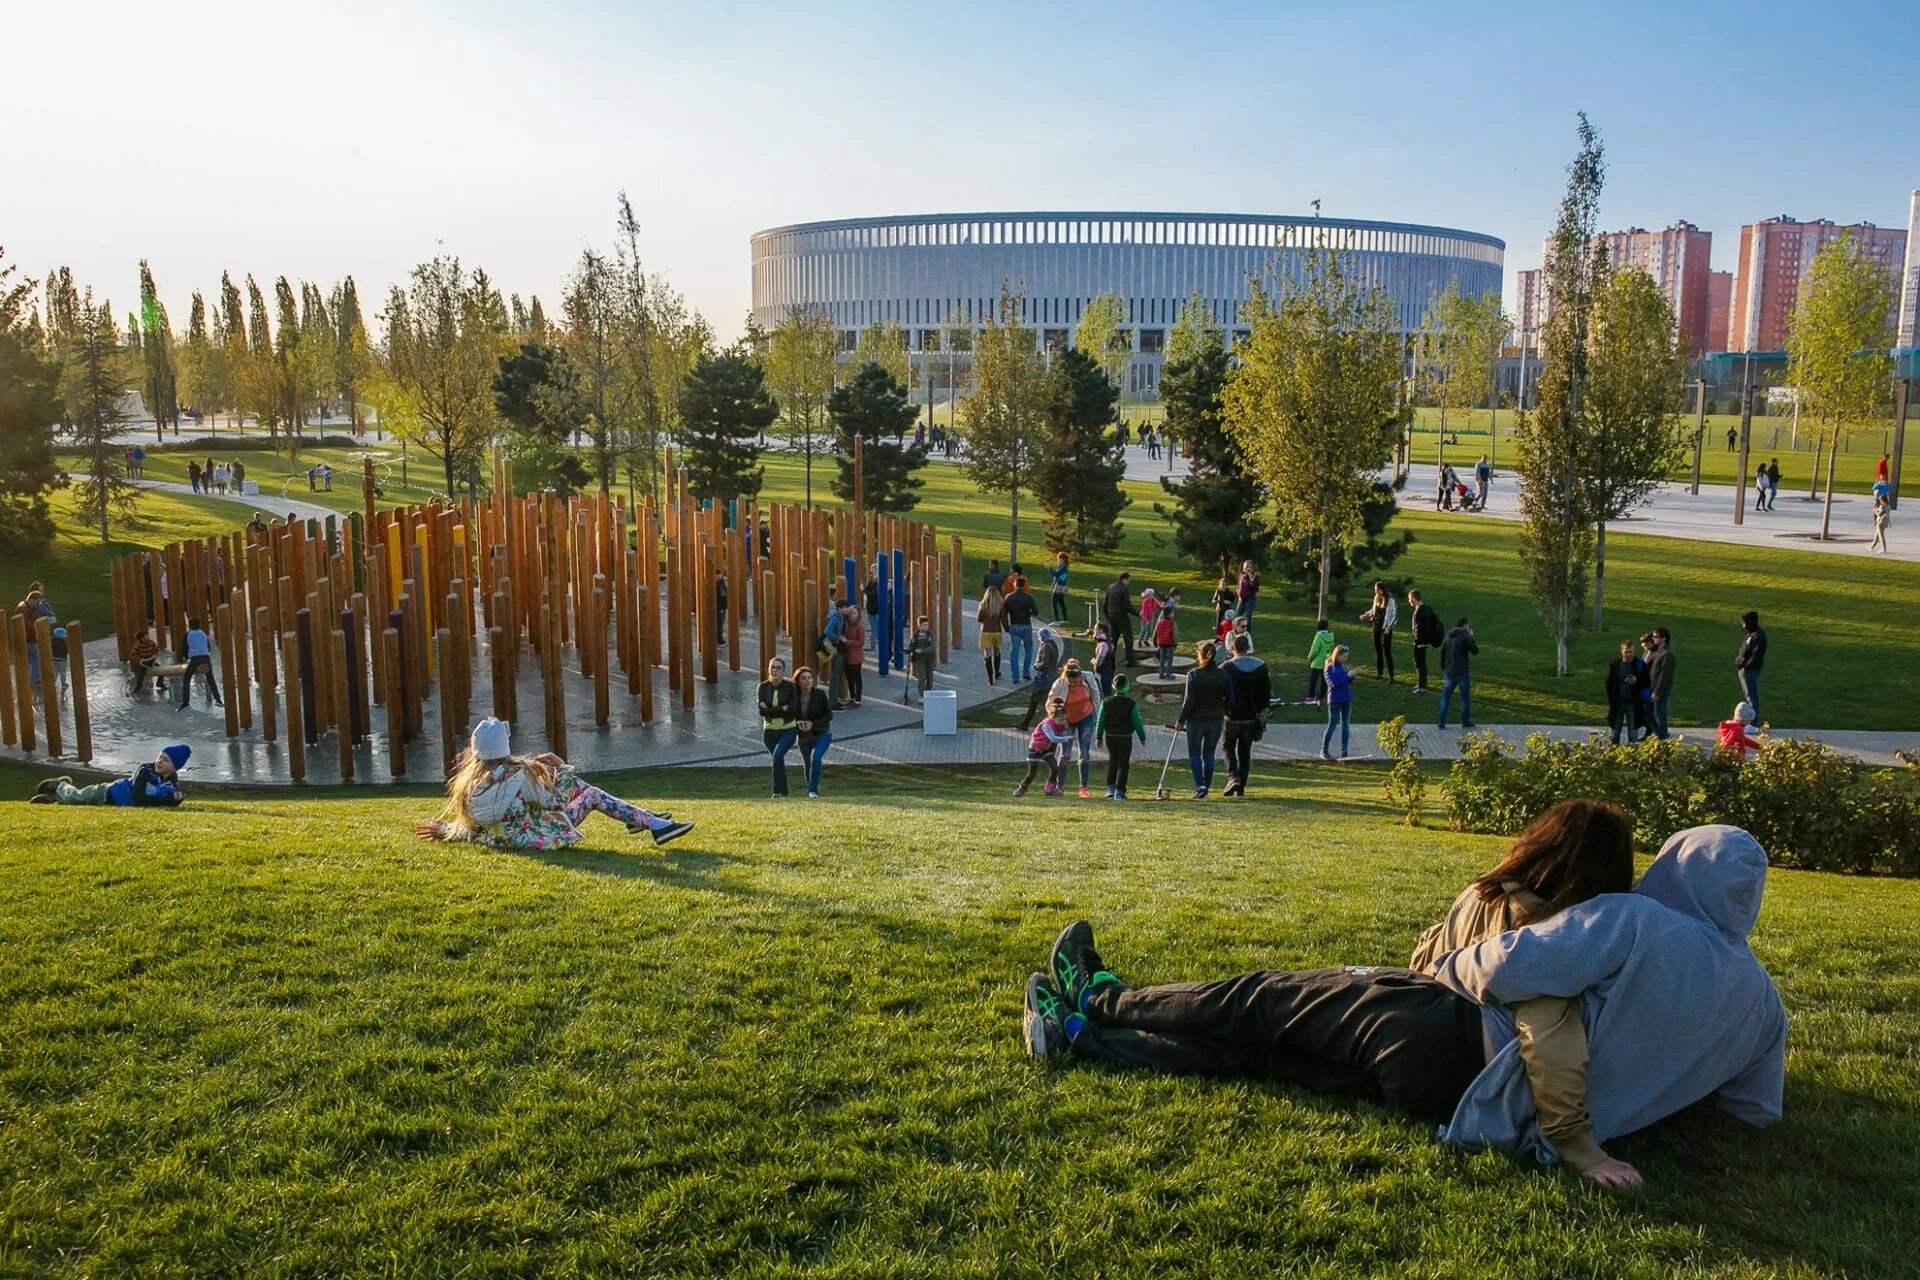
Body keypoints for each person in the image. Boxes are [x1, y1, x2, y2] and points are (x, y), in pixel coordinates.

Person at [1026, 824, 1786, 1182]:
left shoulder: (1638, 921)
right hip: (1462, 1103)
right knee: (1261, 1061)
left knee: (1259, 1003)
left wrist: (1437, 969)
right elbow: (1755, 1112)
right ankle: (1079, 1041)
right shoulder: (1760, 1006)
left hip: (1441, 1030)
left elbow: (1507, 968)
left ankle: (1105, 997)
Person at [1405, 799, 1641, 1184]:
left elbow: (1430, 948)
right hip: (1463, 1065)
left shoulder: (1483, 890)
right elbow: (1548, 1033)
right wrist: (1579, 1148)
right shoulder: (1540, 934)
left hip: (1411, 1014)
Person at [415, 719, 690, 848]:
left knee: (582, 788)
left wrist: (446, 829)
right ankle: (653, 824)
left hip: (503, 839)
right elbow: (557, 802)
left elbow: (472, 827)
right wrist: (561, 766)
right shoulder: (518, 777)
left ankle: (646, 820)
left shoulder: (467, 786)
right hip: (536, 836)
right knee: (590, 794)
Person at [32, 744, 192, 808]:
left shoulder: (171, 781)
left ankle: (52, 798)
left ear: (174, 767)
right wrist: (167, 799)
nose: (159, 762)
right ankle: (60, 786)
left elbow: (177, 798)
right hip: (107, 792)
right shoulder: (145, 771)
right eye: (159, 757)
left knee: (77, 803)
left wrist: (173, 799)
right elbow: (140, 797)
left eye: (165, 760)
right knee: (77, 797)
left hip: (113, 802)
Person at [1175, 639, 1230, 798]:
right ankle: (1206, 785)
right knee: (1209, 754)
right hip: (1216, 720)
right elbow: (1230, 699)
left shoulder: (1193, 675)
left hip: (1196, 720)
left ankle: (1200, 785)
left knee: (1194, 753)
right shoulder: (1224, 675)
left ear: (1200, 656)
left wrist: (1181, 720)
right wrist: (1222, 710)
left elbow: (1188, 701)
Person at [1221, 630, 1271, 798]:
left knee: (1228, 746)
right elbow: (1266, 694)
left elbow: (1221, 691)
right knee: (1245, 752)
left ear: (1232, 648)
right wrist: (1260, 711)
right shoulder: (1261, 667)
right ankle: (1241, 788)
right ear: (1248, 648)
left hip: (1232, 716)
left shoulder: (1227, 668)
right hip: (1251, 717)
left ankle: (1233, 776)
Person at [1048, 659, 1101, 798]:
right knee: (1065, 754)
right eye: (1071, 682)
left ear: (1080, 676)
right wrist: (1054, 719)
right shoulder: (1060, 683)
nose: (1074, 684)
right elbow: (1050, 702)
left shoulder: (1088, 677)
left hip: (1086, 717)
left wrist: (1096, 715)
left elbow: (1095, 695)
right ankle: (1060, 787)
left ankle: (1083, 787)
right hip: (1067, 721)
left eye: (1076, 681)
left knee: (1084, 753)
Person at [1095, 673, 1148, 800]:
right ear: (1126, 686)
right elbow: (1137, 721)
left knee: (1112, 760)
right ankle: (1120, 791)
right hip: (1125, 736)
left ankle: (1110, 789)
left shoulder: (1106, 702)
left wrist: (1098, 736)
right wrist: (1142, 736)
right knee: (1123, 764)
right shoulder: (1131, 703)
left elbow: (1100, 720)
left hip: (1110, 736)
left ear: (1114, 686)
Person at [1013, 697, 1073, 798]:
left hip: (1047, 749)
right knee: (1032, 773)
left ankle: (1050, 788)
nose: (1063, 721)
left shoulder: (1060, 725)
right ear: (1053, 717)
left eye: (1064, 719)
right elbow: (1053, 738)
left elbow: (1060, 733)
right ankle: (1022, 788)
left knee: (1055, 768)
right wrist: (1068, 738)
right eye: (1061, 719)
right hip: (1036, 749)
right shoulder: (1046, 725)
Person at [757, 656, 799, 798]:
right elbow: (762, 711)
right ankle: (784, 792)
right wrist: (782, 709)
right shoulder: (762, 687)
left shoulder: (791, 687)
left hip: (788, 729)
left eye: (778, 668)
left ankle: (777, 791)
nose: (774, 670)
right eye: (772, 667)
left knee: (777, 756)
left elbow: (792, 710)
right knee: (778, 760)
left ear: (783, 671)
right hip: (769, 731)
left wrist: (770, 709)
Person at [793, 666, 833, 798]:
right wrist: (796, 723)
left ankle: (813, 791)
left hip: (822, 733)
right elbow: (789, 715)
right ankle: (811, 790)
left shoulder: (820, 694)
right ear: (798, 681)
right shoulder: (793, 697)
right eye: (804, 678)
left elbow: (829, 716)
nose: (807, 680)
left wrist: (813, 724)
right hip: (803, 736)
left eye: (809, 678)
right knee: (807, 763)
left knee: (815, 757)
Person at [1015, 626, 1064, 731]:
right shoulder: (1053, 644)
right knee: (1048, 701)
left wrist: (1036, 666)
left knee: (1035, 701)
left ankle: (1026, 724)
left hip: (1044, 678)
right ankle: (1052, 724)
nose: (1038, 638)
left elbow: (1044, 662)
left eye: (1039, 636)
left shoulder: (1045, 646)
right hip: (1052, 676)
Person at [1436, 618, 1477, 731]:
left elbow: (1442, 653)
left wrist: (1444, 667)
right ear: (1465, 626)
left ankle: (1441, 722)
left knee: (1446, 698)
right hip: (1462, 672)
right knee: (1465, 698)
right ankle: (1465, 721)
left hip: (1449, 672)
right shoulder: (1464, 637)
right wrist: (1471, 637)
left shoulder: (1448, 636)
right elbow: (1474, 650)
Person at [175, 616, 223, 710]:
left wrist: (185, 658)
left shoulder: (188, 634)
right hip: (206, 657)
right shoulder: (203, 634)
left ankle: (185, 703)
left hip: (195, 658)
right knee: (211, 679)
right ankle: (218, 700)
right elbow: (208, 647)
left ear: (189, 626)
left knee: (186, 680)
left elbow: (184, 648)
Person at [1604, 641, 1644, 745]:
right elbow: (1609, 684)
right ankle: (1613, 755)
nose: (1629, 654)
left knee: (1633, 734)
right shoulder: (1615, 666)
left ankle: (1632, 756)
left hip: (1633, 703)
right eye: (1626, 652)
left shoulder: (1639, 664)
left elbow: (1647, 681)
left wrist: (1636, 680)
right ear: (1621, 651)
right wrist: (1611, 700)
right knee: (1615, 733)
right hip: (1618, 703)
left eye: (1631, 652)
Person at [1359, 581, 1397, 682]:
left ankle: (1391, 676)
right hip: (1376, 626)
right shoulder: (1376, 598)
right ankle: (1379, 674)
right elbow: (1373, 611)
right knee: (1378, 651)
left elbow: (1393, 616)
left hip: (1385, 629)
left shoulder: (1390, 601)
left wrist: (1388, 627)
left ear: (1381, 589)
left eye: (1377, 590)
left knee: (1387, 652)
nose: (1375, 592)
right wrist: (1365, 615)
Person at [1320, 644, 1353, 761]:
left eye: (1346, 657)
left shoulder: (1344, 667)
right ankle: (1324, 750)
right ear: (1337, 655)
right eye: (1344, 657)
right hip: (1335, 700)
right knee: (1332, 725)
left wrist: (1351, 677)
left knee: (1346, 724)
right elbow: (1333, 684)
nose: (1345, 659)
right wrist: (1346, 677)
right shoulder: (1329, 667)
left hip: (1346, 699)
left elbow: (1346, 683)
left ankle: (1344, 751)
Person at [1003, 577, 1039, 684]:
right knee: (1028, 649)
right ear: (1024, 586)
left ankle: (1015, 677)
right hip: (1026, 625)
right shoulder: (1028, 597)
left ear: (1015, 585)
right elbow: (1036, 612)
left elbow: (1004, 613)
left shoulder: (1009, 597)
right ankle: (1026, 673)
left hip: (1014, 625)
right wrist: (1028, 614)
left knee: (1014, 651)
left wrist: (1006, 627)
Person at [1407, 589, 1442, 694]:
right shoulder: (1427, 608)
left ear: (1413, 598)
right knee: (1420, 663)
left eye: (1409, 598)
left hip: (1419, 642)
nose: (1409, 601)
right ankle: (1421, 683)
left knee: (1419, 663)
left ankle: (1421, 686)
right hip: (1424, 641)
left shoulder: (1419, 611)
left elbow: (1419, 628)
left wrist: (1417, 640)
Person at [1735, 610, 1766, 720]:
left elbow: (1756, 656)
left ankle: (1752, 723)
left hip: (1750, 670)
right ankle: (1749, 721)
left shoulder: (1758, 636)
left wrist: (1745, 666)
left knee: (1751, 697)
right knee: (1749, 696)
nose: (1743, 626)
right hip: (1746, 669)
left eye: (1744, 623)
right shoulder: (1751, 634)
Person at [1646, 628, 1675, 740]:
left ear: (1664, 638)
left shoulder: (1667, 654)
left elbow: (1665, 676)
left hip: (1660, 690)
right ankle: (1660, 734)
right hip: (1653, 687)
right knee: (1649, 712)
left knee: (1660, 714)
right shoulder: (1659, 651)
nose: (1653, 639)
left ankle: (1662, 736)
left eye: (1656, 637)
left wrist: (1657, 692)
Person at [976, 584, 1006, 685]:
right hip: (997, 631)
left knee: (987, 655)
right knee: (997, 652)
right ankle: (997, 672)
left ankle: (990, 678)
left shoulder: (983, 605)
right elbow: (1003, 619)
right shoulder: (1000, 605)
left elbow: (979, 619)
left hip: (986, 631)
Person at [1102, 573, 1135, 665]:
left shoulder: (1111, 587)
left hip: (1111, 615)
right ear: (1124, 579)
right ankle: (1128, 660)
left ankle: (1110, 659)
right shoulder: (1124, 589)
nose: (1128, 583)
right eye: (1128, 580)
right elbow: (1127, 605)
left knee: (1113, 639)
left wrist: (1107, 616)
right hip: (1121, 615)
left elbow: (1105, 603)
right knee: (1128, 638)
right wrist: (1137, 614)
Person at [821, 598, 848, 708]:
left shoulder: (839, 617)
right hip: (835, 648)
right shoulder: (836, 619)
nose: (847, 610)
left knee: (837, 675)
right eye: (845, 608)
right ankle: (832, 703)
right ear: (840, 608)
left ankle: (835, 700)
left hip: (838, 648)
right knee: (835, 676)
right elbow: (827, 631)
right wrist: (837, 638)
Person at [907, 615, 936, 705]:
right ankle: (922, 695)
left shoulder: (930, 634)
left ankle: (929, 692)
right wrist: (910, 650)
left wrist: (922, 651)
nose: (926, 627)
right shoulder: (916, 635)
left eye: (927, 625)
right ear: (919, 626)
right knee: (921, 677)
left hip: (929, 659)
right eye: (924, 625)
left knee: (930, 677)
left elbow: (932, 646)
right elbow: (912, 644)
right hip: (920, 660)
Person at [1305, 619, 1336, 705]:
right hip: (1326, 662)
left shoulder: (1318, 636)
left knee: (1313, 680)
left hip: (1317, 663)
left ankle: (1311, 696)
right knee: (1324, 680)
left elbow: (1315, 650)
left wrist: (1310, 658)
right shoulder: (1331, 636)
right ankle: (1322, 696)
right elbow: (1332, 647)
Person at [841, 602, 866, 708]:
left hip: (856, 656)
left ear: (858, 614)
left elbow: (861, 643)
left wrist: (847, 641)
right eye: (850, 612)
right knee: (849, 678)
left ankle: (858, 700)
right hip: (847, 656)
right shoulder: (847, 623)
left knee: (856, 678)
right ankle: (852, 697)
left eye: (854, 613)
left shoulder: (860, 626)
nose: (851, 615)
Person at [1151, 604, 1178, 680]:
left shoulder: (1159, 622)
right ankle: (1169, 674)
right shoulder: (1172, 623)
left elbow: (1155, 632)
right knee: (1169, 659)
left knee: (1162, 658)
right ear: (1170, 614)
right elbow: (1175, 634)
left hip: (1161, 643)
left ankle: (1161, 673)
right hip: (1169, 643)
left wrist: (1155, 641)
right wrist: (1175, 643)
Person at [1091, 623, 1116, 698]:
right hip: (1106, 672)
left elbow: (1099, 662)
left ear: (1101, 630)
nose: (1094, 630)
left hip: (1103, 674)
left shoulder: (1103, 645)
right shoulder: (1107, 642)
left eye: (1096, 629)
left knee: (1105, 696)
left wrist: (1093, 661)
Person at [1049, 552, 1071, 624]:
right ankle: (1065, 619)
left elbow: (1056, 574)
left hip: (1058, 588)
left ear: (1063, 559)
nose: (1058, 560)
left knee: (1054, 603)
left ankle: (1056, 620)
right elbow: (1059, 576)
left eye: (1059, 558)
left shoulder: (1063, 567)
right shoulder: (1064, 567)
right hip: (1062, 587)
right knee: (1062, 604)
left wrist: (1049, 568)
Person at [50, 626, 69, 694]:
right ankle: (63, 684)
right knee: (62, 672)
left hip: (53, 659)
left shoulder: (52, 641)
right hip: (62, 659)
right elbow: (66, 650)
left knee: (55, 672)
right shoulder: (64, 642)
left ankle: (52, 684)